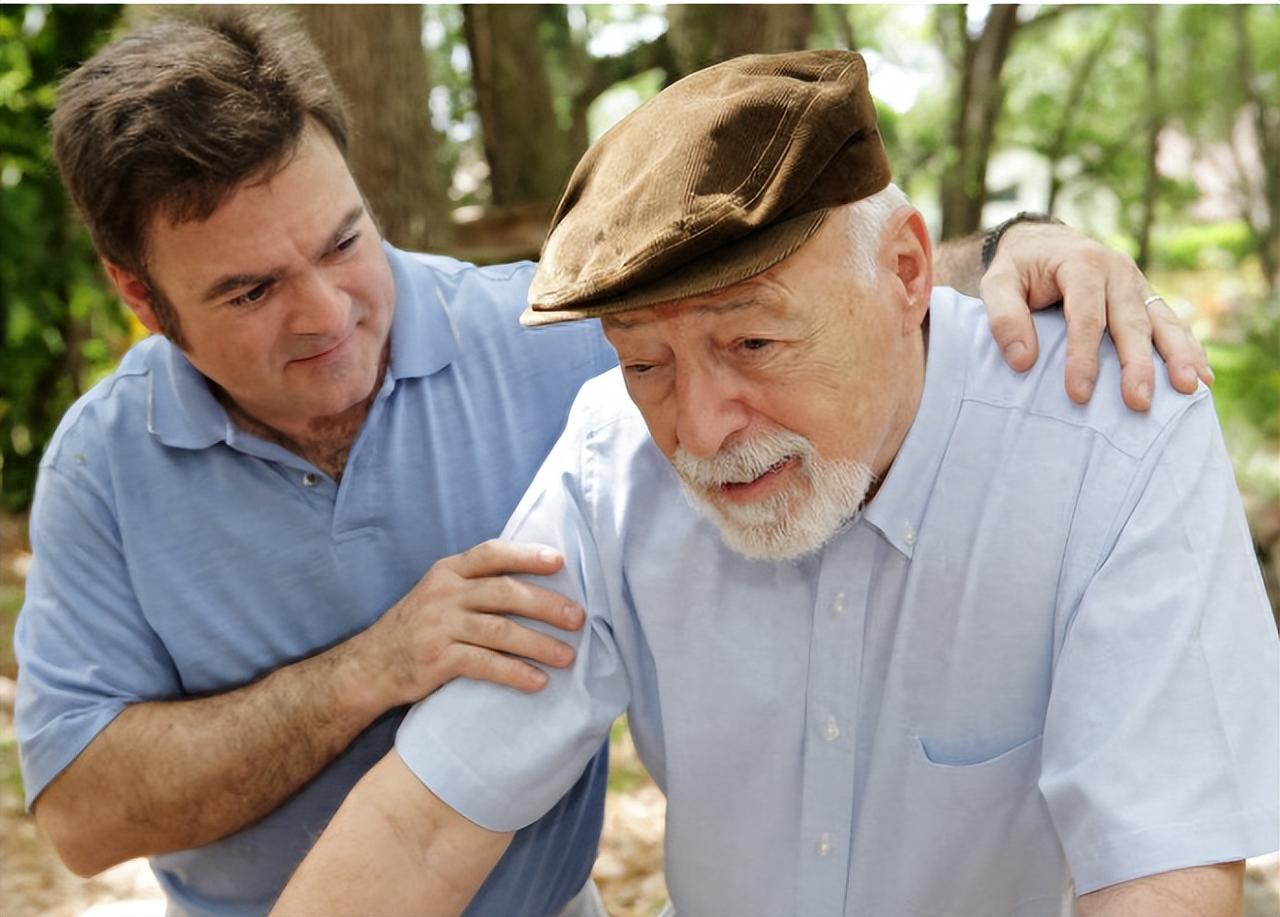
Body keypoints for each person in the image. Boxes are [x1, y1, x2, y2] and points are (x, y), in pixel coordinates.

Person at [13, 9, 1209, 916]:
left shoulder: (539, 348)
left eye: (343, 242)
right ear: (142, 295)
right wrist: (368, 668)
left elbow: (804, 279)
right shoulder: (106, 474)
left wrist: (1024, 244)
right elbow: (89, 818)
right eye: (252, 289)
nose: (328, 311)